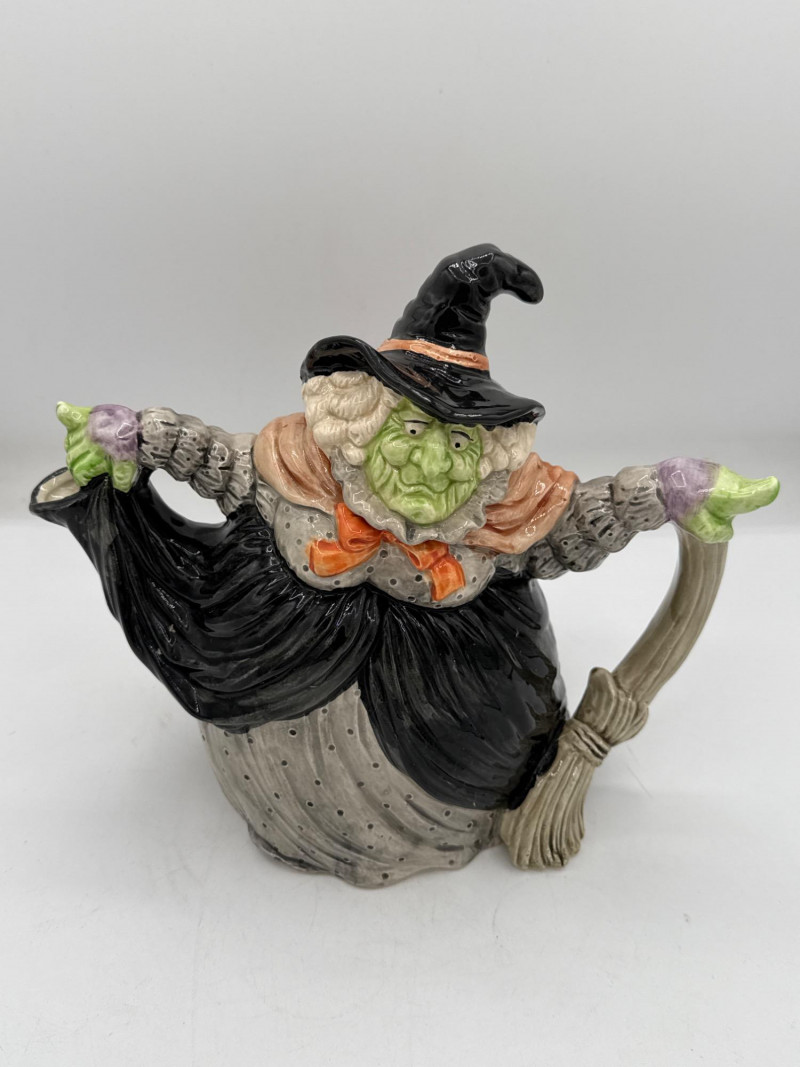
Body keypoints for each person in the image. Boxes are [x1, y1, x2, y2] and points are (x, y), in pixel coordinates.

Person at [31, 244, 778, 887]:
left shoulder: (496, 519)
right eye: (413, 431)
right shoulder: (297, 473)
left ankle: (442, 828)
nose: (431, 462)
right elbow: (207, 454)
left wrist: (671, 490)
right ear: (359, 424)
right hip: (272, 701)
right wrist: (133, 432)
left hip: (456, 742)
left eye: (459, 443)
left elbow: (587, 516)